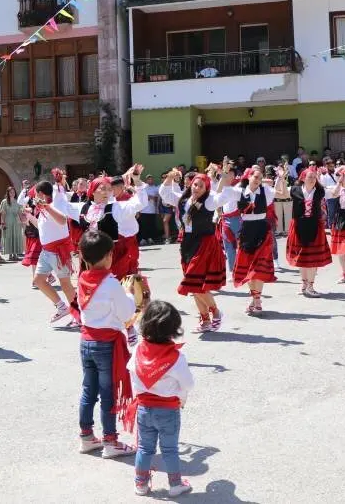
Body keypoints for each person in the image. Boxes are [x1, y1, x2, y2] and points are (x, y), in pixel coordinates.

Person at [73, 231, 138, 459]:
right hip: (106, 344)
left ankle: (86, 436)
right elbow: (126, 313)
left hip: (86, 341)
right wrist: (129, 294)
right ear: (109, 256)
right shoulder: (111, 283)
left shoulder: (82, 278)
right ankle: (110, 440)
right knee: (108, 394)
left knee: (88, 391)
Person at [127, 300, 195, 497]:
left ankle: (140, 483)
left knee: (145, 448)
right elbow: (188, 384)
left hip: (144, 408)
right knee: (170, 449)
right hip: (168, 411)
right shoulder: (176, 357)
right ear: (174, 329)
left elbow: (132, 374)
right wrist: (181, 396)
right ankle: (175, 484)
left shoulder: (139, 350)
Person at [159, 166, 233, 333]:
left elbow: (225, 196)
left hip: (204, 244)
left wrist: (224, 176)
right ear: (191, 184)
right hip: (187, 244)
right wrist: (169, 177)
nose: (197, 188)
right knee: (194, 285)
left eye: (201, 186)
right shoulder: (183, 200)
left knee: (193, 282)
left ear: (206, 188)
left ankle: (216, 312)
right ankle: (205, 319)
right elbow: (165, 194)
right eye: (195, 185)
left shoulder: (208, 201)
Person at [18, 174, 78, 326]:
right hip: (46, 251)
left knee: (65, 284)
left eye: (34, 194)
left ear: (40, 194)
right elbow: (41, 226)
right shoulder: (42, 208)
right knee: (38, 281)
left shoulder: (54, 204)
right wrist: (29, 216)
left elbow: (63, 220)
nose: (32, 198)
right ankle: (61, 307)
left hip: (58, 251)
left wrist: (46, 207)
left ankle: (78, 314)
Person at [65, 168, 147, 280]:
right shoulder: (82, 208)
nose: (107, 192)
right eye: (103, 189)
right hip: (90, 256)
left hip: (112, 255)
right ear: (93, 191)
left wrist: (137, 181)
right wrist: (59, 184)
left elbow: (140, 203)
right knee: (92, 289)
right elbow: (60, 205)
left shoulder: (116, 207)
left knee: (114, 287)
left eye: (109, 189)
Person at [228, 165, 277, 315]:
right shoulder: (238, 191)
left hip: (262, 229)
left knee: (259, 268)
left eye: (260, 178)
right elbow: (222, 193)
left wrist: (280, 178)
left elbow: (282, 193)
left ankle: (257, 300)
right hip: (247, 230)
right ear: (248, 177)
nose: (258, 180)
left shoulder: (266, 191)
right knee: (249, 268)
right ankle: (255, 299)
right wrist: (224, 175)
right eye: (255, 177)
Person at [284, 166, 332, 296]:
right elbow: (281, 192)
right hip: (299, 225)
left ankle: (311, 285)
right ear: (303, 178)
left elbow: (335, 193)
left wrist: (340, 181)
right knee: (302, 257)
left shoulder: (320, 190)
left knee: (313, 258)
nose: (312, 179)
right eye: (309, 177)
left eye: (314, 177)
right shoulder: (294, 189)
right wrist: (282, 178)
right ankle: (304, 283)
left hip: (314, 225)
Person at [0, 186, 25, 260]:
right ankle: (10, 254)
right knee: (9, 237)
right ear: (8, 193)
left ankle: (15, 253)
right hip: (8, 221)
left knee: (16, 237)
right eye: (10, 192)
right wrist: (2, 223)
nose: (12, 193)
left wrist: (23, 221)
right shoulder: (4, 201)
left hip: (16, 222)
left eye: (13, 192)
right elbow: (3, 213)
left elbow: (20, 213)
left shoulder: (17, 201)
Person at [138, 175, 160, 245]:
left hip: (152, 210)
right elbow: (139, 197)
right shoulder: (143, 188)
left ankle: (150, 238)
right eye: (148, 179)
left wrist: (152, 197)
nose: (150, 180)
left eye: (151, 179)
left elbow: (158, 199)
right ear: (146, 180)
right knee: (144, 225)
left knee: (151, 225)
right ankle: (143, 239)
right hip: (143, 210)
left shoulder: (155, 188)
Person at [319, 158, 338, 230]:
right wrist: (333, 189)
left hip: (339, 196)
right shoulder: (323, 175)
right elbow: (324, 186)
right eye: (329, 166)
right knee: (331, 213)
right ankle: (331, 228)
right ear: (326, 166)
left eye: (332, 165)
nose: (331, 167)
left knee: (338, 212)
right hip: (330, 197)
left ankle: (338, 227)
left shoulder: (337, 173)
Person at [273, 166, 292, 237]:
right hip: (277, 199)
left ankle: (287, 230)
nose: (279, 172)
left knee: (288, 215)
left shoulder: (289, 178)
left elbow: (289, 189)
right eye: (278, 170)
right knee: (278, 215)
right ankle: (279, 230)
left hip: (288, 199)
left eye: (281, 170)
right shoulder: (276, 179)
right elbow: (275, 189)